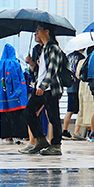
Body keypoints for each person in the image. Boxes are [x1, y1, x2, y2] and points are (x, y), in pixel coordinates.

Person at [20, 23, 67, 155]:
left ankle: (56, 145)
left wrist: (43, 85)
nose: (37, 32)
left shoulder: (53, 48)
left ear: (47, 32)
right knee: (28, 112)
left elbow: (53, 69)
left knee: (53, 117)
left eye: (38, 30)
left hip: (50, 89)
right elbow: (41, 71)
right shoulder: (44, 48)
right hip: (40, 88)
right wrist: (32, 65)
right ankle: (40, 139)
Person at [0, 43, 28, 144]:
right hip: (15, 96)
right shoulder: (15, 64)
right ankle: (19, 136)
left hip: (2, 96)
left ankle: (7, 136)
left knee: (5, 115)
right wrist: (18, 91)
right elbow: (16, 79)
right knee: (17, 114)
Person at [62, 48, 85, 140]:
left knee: (69, 110)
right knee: (79, 109)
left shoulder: (68, 56)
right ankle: (76, 132)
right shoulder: (81, 58)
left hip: (69, 86)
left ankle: (65, 130)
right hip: (78, 86)